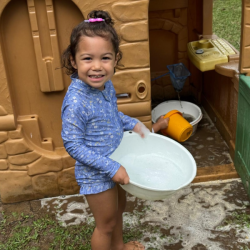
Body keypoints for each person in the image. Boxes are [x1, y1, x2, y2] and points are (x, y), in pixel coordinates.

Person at [61, 10, 169, 250]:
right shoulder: (76, 102)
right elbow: (73, 145)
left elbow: (110, 116)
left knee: (119, 210)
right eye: (88, 58)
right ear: (73, 60)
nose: (97, 67)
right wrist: (111, 167)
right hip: (97, 173)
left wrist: (133, 123)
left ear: (116, 58)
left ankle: (118, 247)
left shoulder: (105, 87)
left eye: (106, 58)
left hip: (115, 162)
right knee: (105, 225)